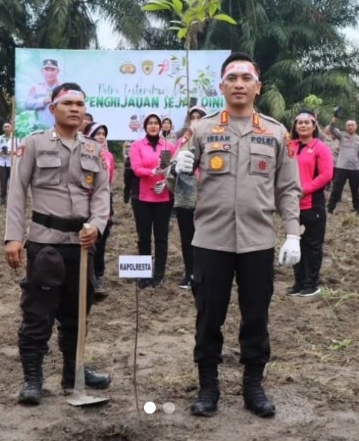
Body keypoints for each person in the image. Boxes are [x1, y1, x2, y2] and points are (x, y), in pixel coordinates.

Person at [170, 52, 301, 418]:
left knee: (256, 316)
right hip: (210, 240)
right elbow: (175, 182)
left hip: (258, 241)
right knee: (208, 316)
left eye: (246, 78)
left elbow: (288, 188)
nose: (239, 84)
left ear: (258, 87)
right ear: (221, 86)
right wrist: (178, 167)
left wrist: (293, 234)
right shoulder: (201, 129)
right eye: (232, 78)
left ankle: (253, 385)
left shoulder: (276, 132)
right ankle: (208, 386)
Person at [4, 82, 111, 405]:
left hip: (81, 245)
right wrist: (13, 237)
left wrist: (97, 225)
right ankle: (32, 378)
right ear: (53, 109)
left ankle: (73, 373)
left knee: (77, 315)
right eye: (68, 103)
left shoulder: (93, 149)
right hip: (45, 244)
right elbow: (17, 191)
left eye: (80, 104)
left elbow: (102, 193)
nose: (75, 109)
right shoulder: (34, 144)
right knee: (38, 314)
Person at [287, 110, 333, 297]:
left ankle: (311, 283)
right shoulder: (290, 146)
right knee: (295, 243)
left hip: (312, 205)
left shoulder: (320, 147)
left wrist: (304, 189)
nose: (303, 125)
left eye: (307, 123)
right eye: (299, 122)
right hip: (292, 206)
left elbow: (326, 175)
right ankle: (299, 282)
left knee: (312, 245)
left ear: (314, 126)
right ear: (295, 126)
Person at [129, 112, 176, 288]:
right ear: (145, 126)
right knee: (144, 237)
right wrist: (152, 172)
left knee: (161, 237)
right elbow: (136, 169)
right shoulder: (137, 146)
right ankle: (144, 275)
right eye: (150, 123)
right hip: (142, 198)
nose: (153, 126)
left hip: (163, 197)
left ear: (161, 126)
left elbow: (169, 169)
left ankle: (159, 275)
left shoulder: (167, 146)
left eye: (156, 123)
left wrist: (165, 182)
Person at [171, 106, 207, 289]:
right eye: (193, 117)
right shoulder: (181, 141)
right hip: (185, 194)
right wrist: (175, 166)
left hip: (205, 194)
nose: (195, 120)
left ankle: (203, 273)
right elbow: (172, 164)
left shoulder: (211, 140)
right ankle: (189, 273)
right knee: (187, 236)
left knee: (204, 236)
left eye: (199, 117)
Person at [85, 122, 114, 297]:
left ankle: (99, 275)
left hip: (103, 203)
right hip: (85, 203)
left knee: (101, 244)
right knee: (88, 245)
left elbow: (109, 183)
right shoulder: (84, 154)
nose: (101, 137)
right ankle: (87, 278)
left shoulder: (109, 156)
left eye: (103, 134)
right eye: (98, 133)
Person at [326, 112, 359, 215]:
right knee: (336, 189)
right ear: (345, 127)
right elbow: (331, 128)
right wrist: (335, 117)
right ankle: (330, 209)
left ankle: (357, 209)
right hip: (341, 168)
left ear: (356, 127)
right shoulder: (342, 136)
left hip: (355, 169)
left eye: (352, 125)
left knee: (355, 190)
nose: (350, 127)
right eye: (348, 125)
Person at [23, 59, 62, 128]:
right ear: (42, 71)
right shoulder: (36, 88)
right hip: (41, 128)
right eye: (46, 70)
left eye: (52, 70)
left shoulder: (63, 88)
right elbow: (27, 104)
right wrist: (43, 101)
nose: (49, 73)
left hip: (59, 127)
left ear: (58, 71)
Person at [0, 122, 16, 205]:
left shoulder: (16, 138)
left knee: (13, 182)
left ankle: (13, 198)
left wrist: (11, 152)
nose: (6, 128)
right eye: (5, 127)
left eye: (8, 126)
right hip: (2, 162)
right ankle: (3, 198)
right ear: (3, 128)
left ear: (11, 128)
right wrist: (0, 153)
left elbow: (19, 150)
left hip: (12, 162)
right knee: (3, 181)